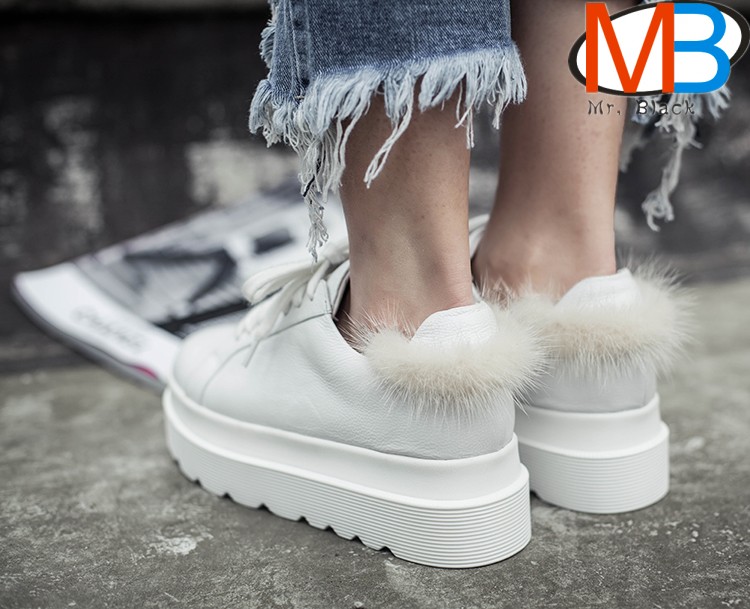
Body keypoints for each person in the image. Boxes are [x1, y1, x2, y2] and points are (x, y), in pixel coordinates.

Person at [162, 0, 705, 567]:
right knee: (556, 248)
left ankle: (409, 306)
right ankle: (567, 274)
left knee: (412, 290)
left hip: (405, 374)